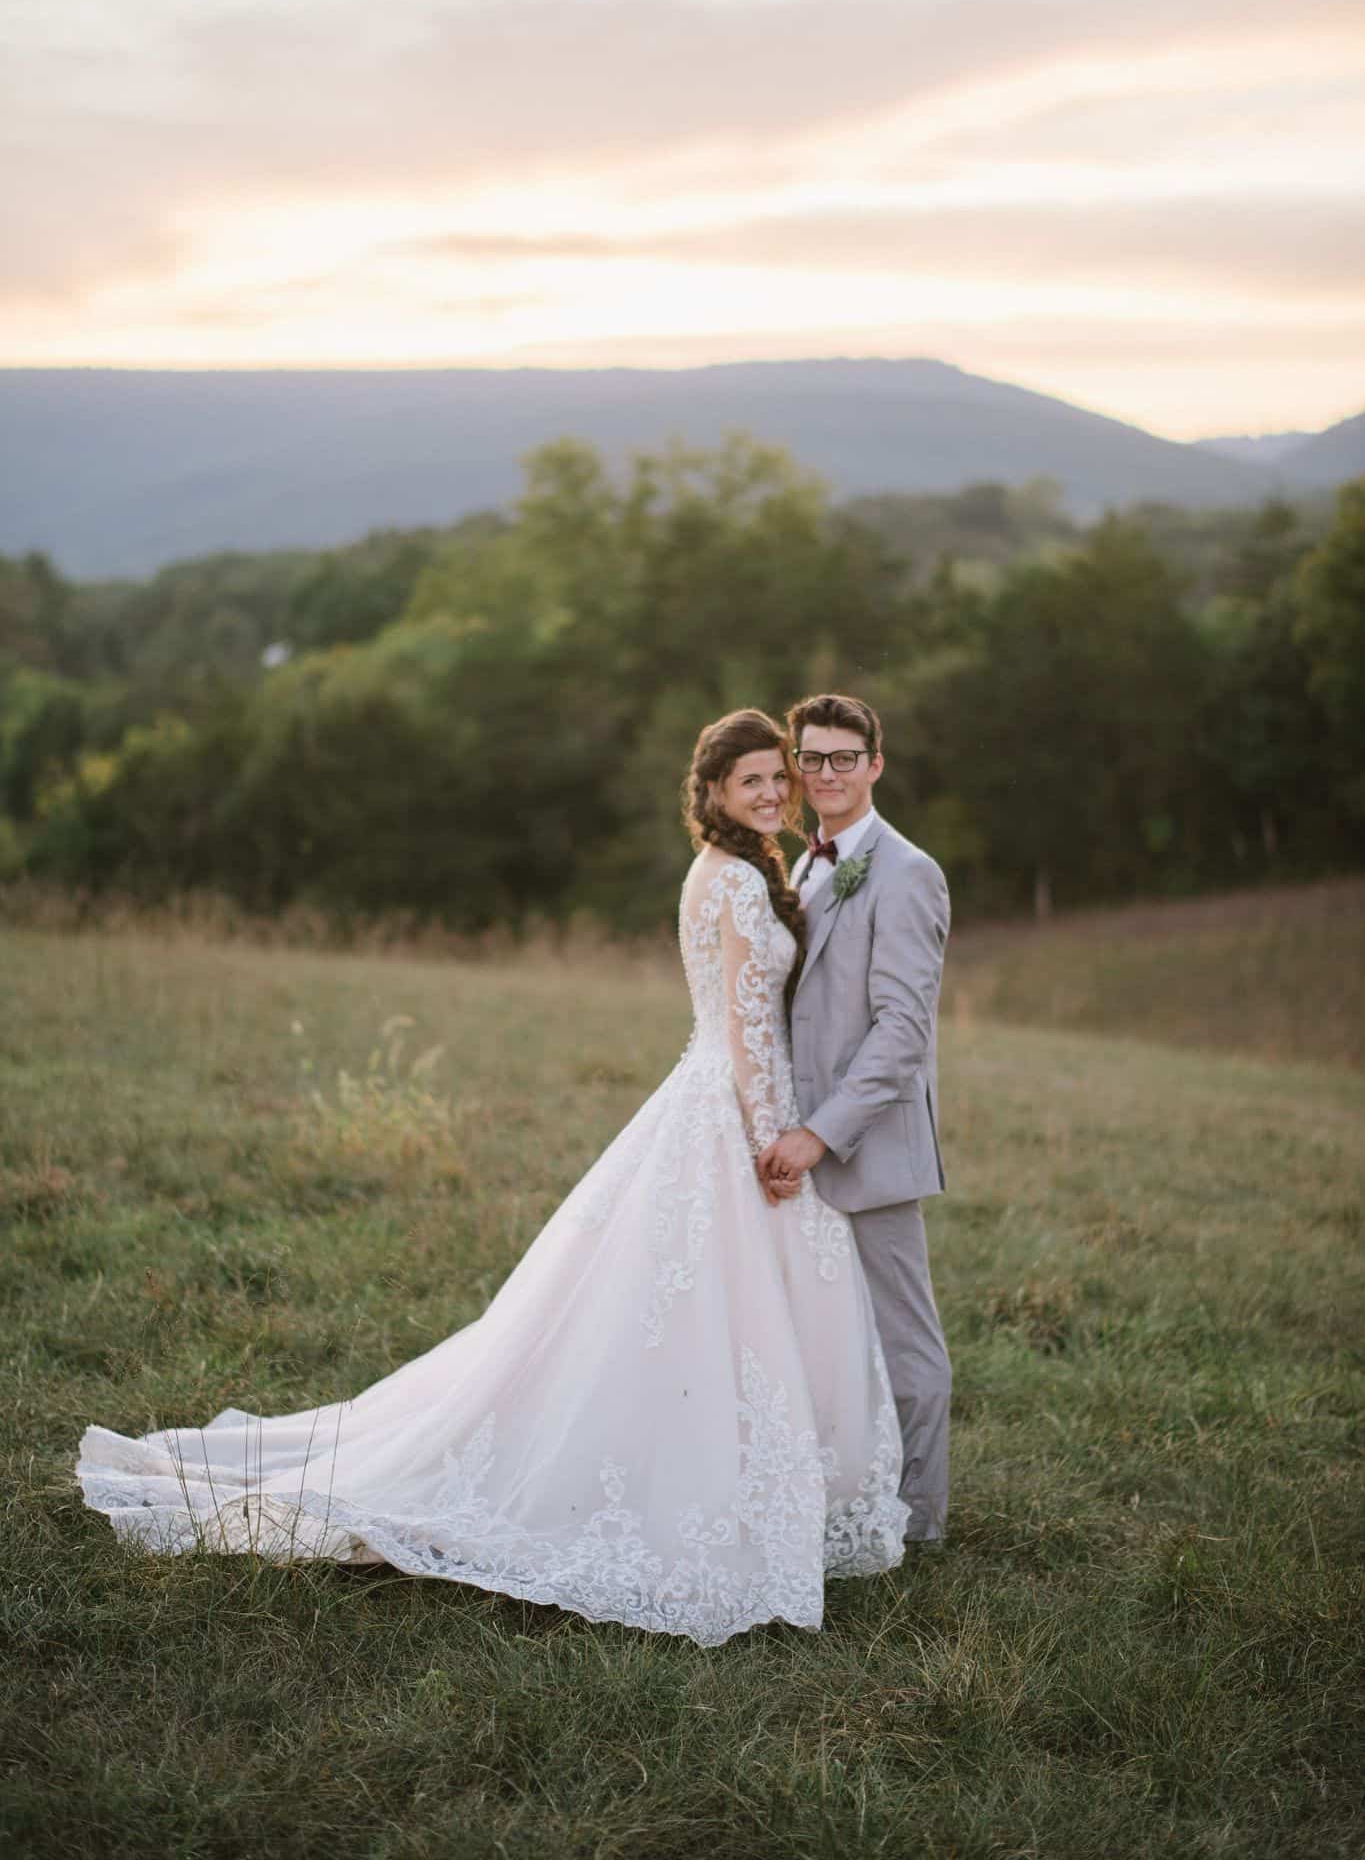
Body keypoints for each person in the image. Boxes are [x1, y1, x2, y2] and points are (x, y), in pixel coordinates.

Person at [76, 709, 909, 1647]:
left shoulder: (736, 870)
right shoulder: (737, 883)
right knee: (709, 1314)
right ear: (712, 793)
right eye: (747, 781)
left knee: (687, 1316)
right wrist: (772, 1143)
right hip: (733, 1116)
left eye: (775, 778)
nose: (767, 793)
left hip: (704, 1098)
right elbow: (750, 1032)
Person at [759, 693, 952, 1542]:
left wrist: (820, 1131)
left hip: (864, 1145)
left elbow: (902, 1031)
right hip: (799, 1142)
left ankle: (918, 1522)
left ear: (875, 764)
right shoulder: (805, 863)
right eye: (812, 758)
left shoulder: (907, 871)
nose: (825, 773)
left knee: (903, 1344)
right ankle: (841, 1494)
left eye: (843, 757)